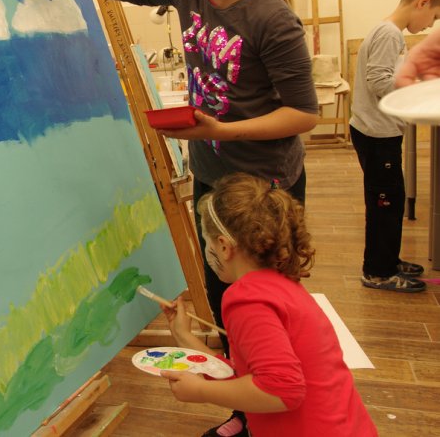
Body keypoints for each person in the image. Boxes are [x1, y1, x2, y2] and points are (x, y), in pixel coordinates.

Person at [3, 0, 318, 435]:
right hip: (213, 178)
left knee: (262, 307)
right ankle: (244, 411)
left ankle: (277, 407)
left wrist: (224, 129)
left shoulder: (272, 20)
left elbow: (303, 114)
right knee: (224, 298)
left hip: (263, 189)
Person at [158, 172, 377, 436]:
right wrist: (184, 335)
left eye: (207, 241)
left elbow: (281, 390)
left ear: (224, 247)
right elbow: (248, 377)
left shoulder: (246, 300)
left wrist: (201, 390)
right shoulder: (279, 282)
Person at [349, 0, 440, 293]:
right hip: (377, 135)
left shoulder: (388, 31)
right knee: (385, 204)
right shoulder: (389, 34)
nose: (431, 25)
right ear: (423, 2)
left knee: (391, 200)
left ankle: (387, 259)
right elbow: (379, 82)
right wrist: (417, 87)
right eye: (434, 17)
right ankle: (377, 271)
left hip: (376, 131)